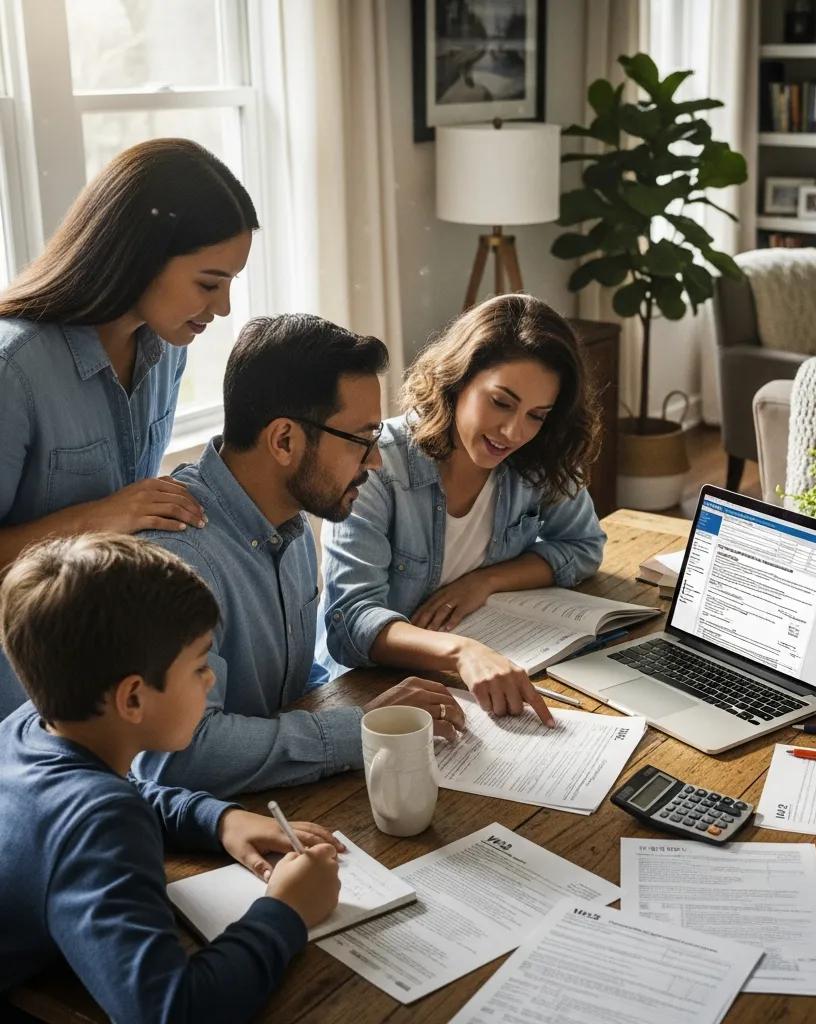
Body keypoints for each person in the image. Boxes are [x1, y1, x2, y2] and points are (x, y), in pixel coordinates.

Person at [0, 534, 343, 1022]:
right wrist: (287, 910)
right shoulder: (100, 822)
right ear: (133, 699)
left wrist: (218, 819)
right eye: (200, 666)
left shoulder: (30, 725)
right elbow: (172, 1011)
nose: (210, 679)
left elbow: (120, 791)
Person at [134, 313, 465, 798]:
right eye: (361, 441)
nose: (375, 461)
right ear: (284, 440)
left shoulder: (288, 519)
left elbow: (294, 687)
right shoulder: (177, 559)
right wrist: (362, 729)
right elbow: (178, 754)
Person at [0, 138, 258, 717]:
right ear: (139, 257)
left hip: (111, 687)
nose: (222, 308)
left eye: (230, 284)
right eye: (208, 283)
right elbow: (115, 512)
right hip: (21, 704)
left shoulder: (167, 350)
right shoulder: (12, 370)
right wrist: (100, 517)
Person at [314, 294, 606, 724]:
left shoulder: (537, 455)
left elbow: (583, 546)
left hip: (482, 673)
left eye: (537, 415)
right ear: (457, 380)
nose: (514, 432)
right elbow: (352, 621)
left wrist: (485, 582)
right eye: (501, 402)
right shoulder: (378, 465)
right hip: (368, 693)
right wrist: (462, 652)